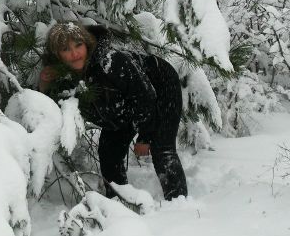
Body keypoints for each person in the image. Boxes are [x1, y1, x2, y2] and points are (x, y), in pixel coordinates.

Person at [39, 22, 188, 201]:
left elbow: (143, 96)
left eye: (78, 45)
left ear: (86, 43)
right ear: (57, 54)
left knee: (162, 148)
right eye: (66, 49)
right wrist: (45, 82)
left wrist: (145, 136)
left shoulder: (111, 62)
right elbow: (50, 107)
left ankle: (179, 204)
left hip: (160, 86)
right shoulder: (63, 75)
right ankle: (119, 205)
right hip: (120, 109)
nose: (74, 53)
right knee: (109, 155)